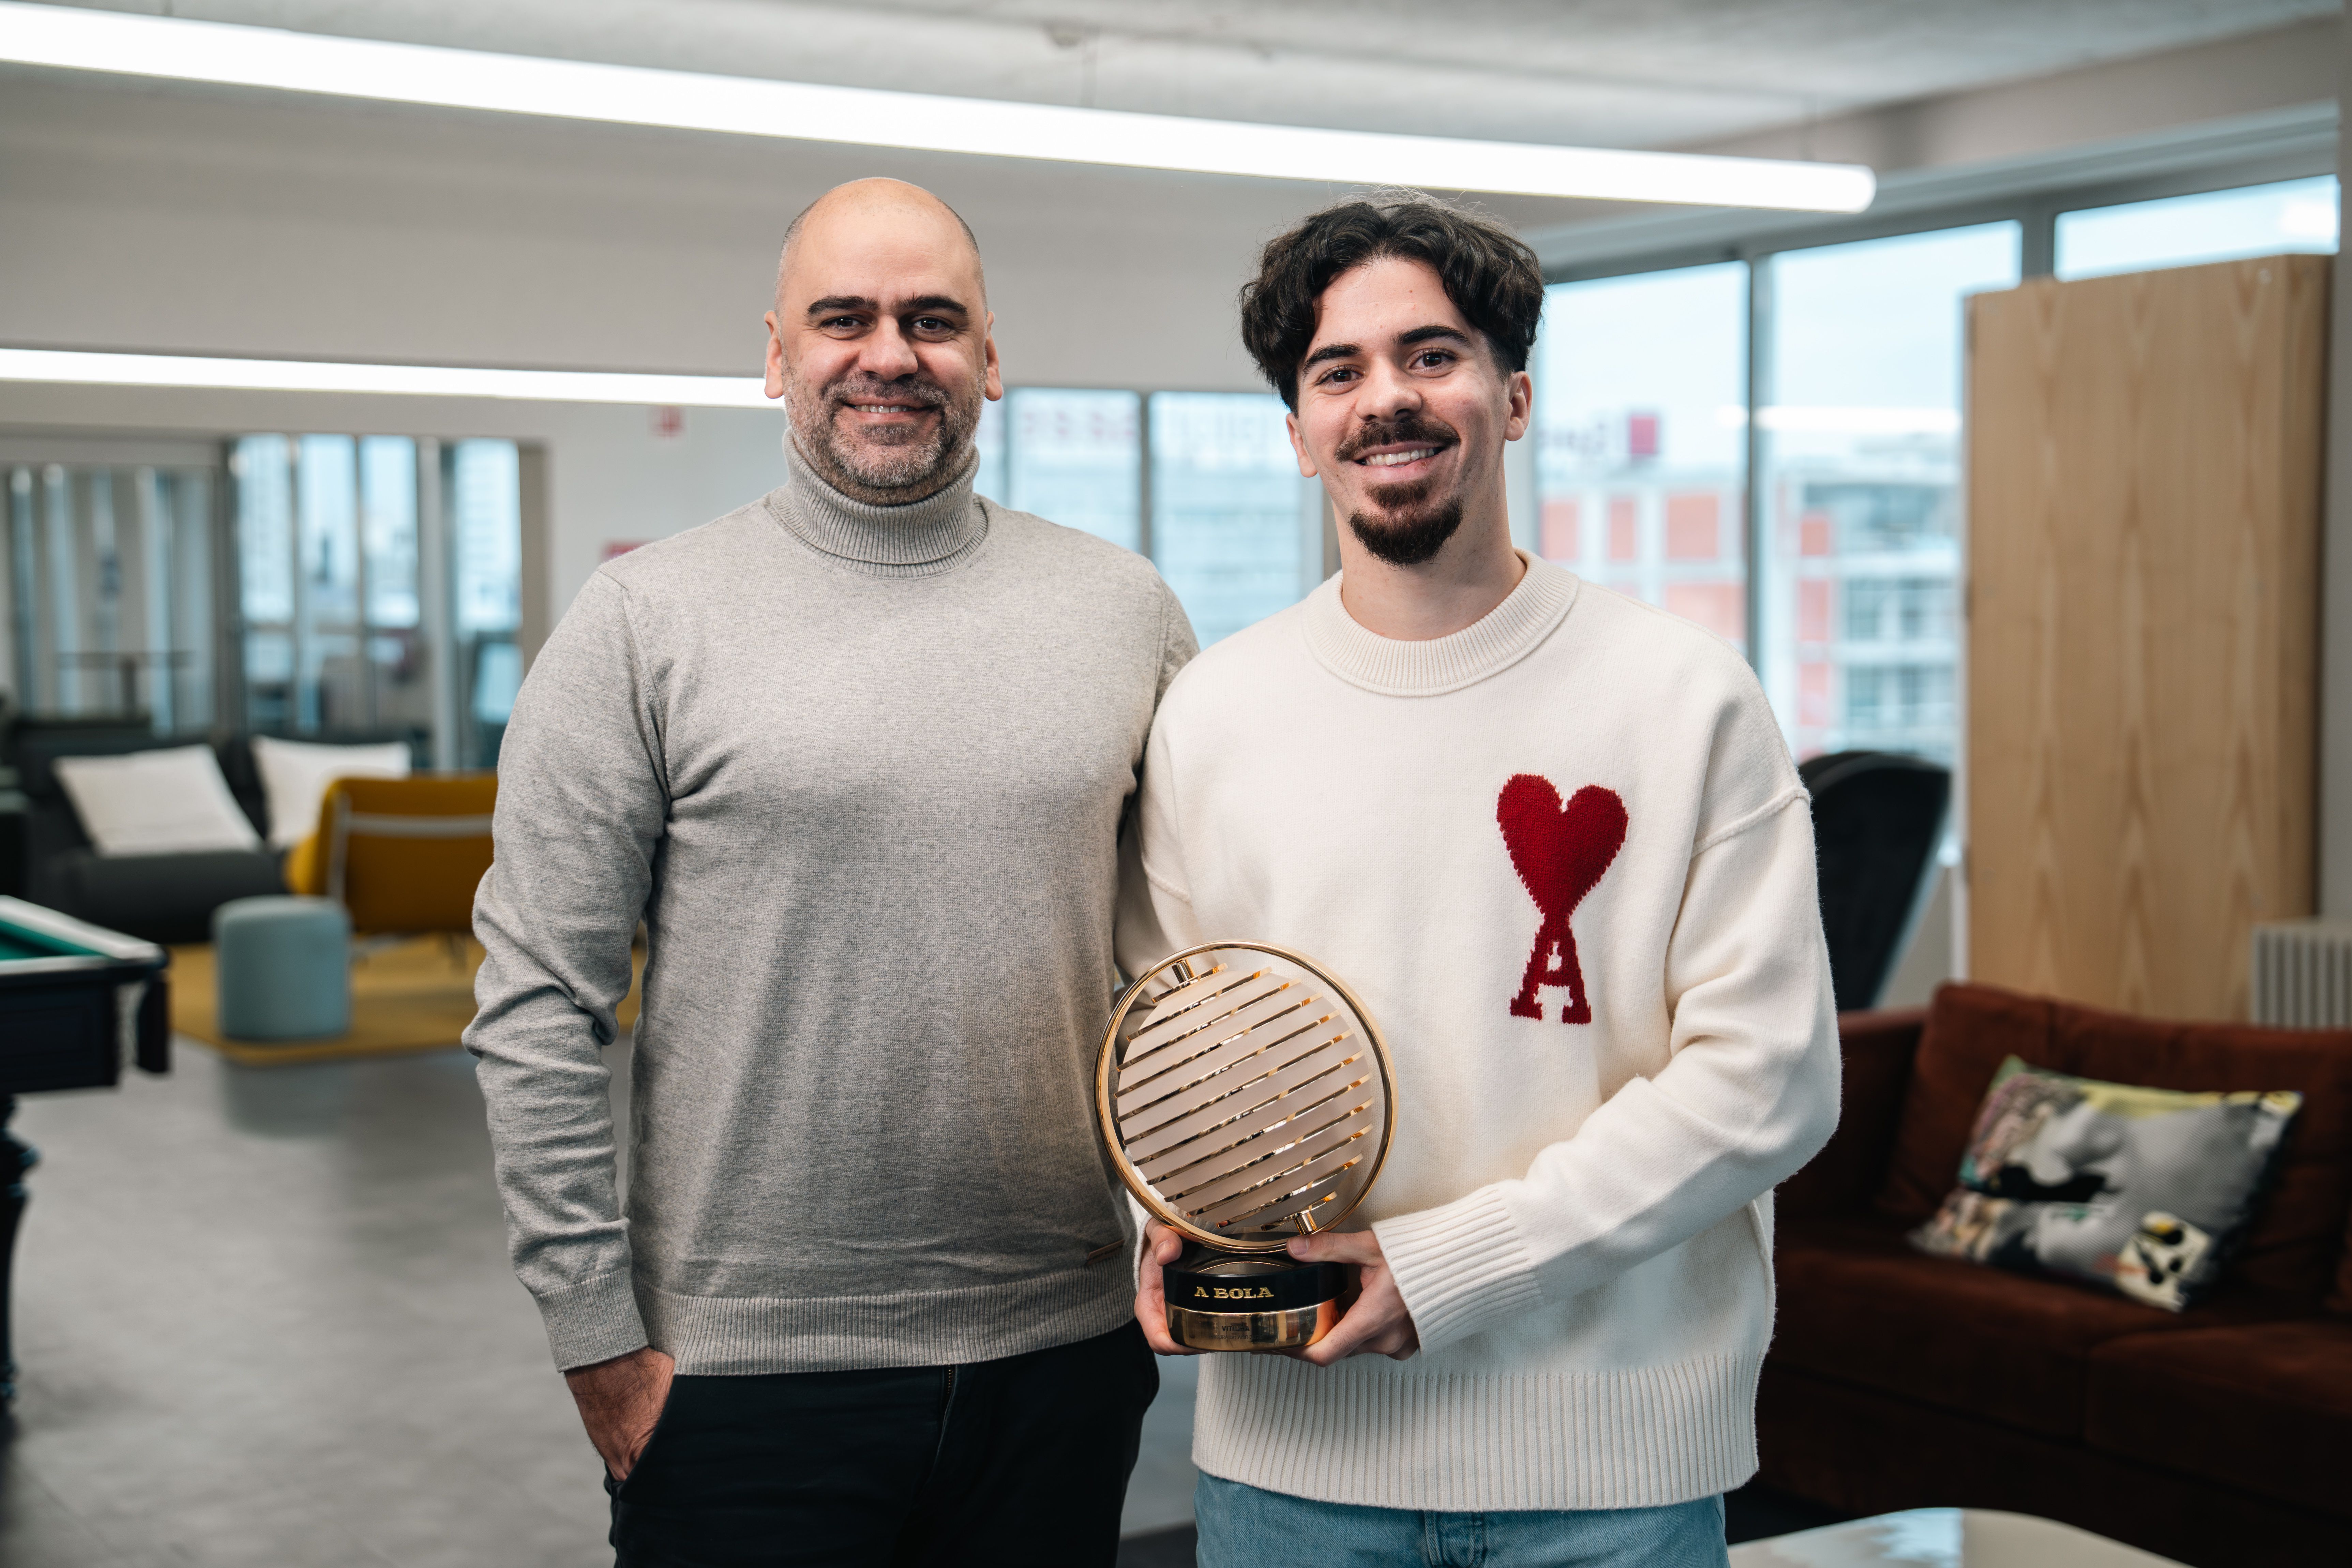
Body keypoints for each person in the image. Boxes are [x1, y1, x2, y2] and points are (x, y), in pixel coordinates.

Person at [469, 177, 1195, 1567]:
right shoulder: (642, 621)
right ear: (776, 354)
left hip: (1062, 1358)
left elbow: (1180, 963)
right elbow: (538, 1000)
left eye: (932, 319)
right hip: (740, 1378)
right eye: (842, 318)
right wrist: (595, 1339)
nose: (888, 353)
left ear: (989, 355)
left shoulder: (1123, 610)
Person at [1117, 193, 1840, 1567]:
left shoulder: (1684, 699)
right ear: (1297, 431)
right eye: (1340, 371)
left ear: (1512, 396)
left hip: (1608, 1474)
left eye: (1432, 355)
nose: (1387, 397)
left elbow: (1770, 1082)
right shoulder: (1214, 714)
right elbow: (1166, 1043)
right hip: (1294, 1462)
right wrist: (1173, 1213)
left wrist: (1445, 1269)